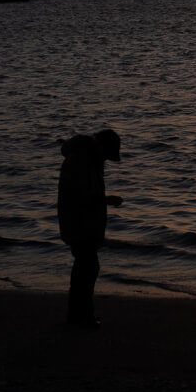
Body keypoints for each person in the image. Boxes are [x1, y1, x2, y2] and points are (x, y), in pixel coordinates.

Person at [57, 128, 123, 328]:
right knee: (86, 270)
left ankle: (80, 316)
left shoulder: (88, 159)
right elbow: (78, 197)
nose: (106, 160)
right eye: (107, 155)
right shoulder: (79, 161)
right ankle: (79, 318)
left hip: (82, 223)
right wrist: (105, 200)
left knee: (86, 269)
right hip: (79, 223)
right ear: (100, 146)